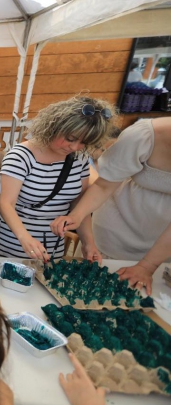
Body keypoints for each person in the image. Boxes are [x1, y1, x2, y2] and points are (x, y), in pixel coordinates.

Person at [52, 117, 171, 292]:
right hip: (114, 232)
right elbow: (103, 185)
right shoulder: (143, 135)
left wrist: (147, 265)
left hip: (162, 248)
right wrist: (76, 216)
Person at [0, 97, 116, 261]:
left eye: (84, 142)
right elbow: (6, 204)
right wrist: (25, 239)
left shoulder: (78, 159)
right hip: (17, 239)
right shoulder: (21, 157)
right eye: (70, 139)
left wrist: (88, 242)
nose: (74, 147)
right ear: (54, 127)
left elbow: (78, 205)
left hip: (54, 242)